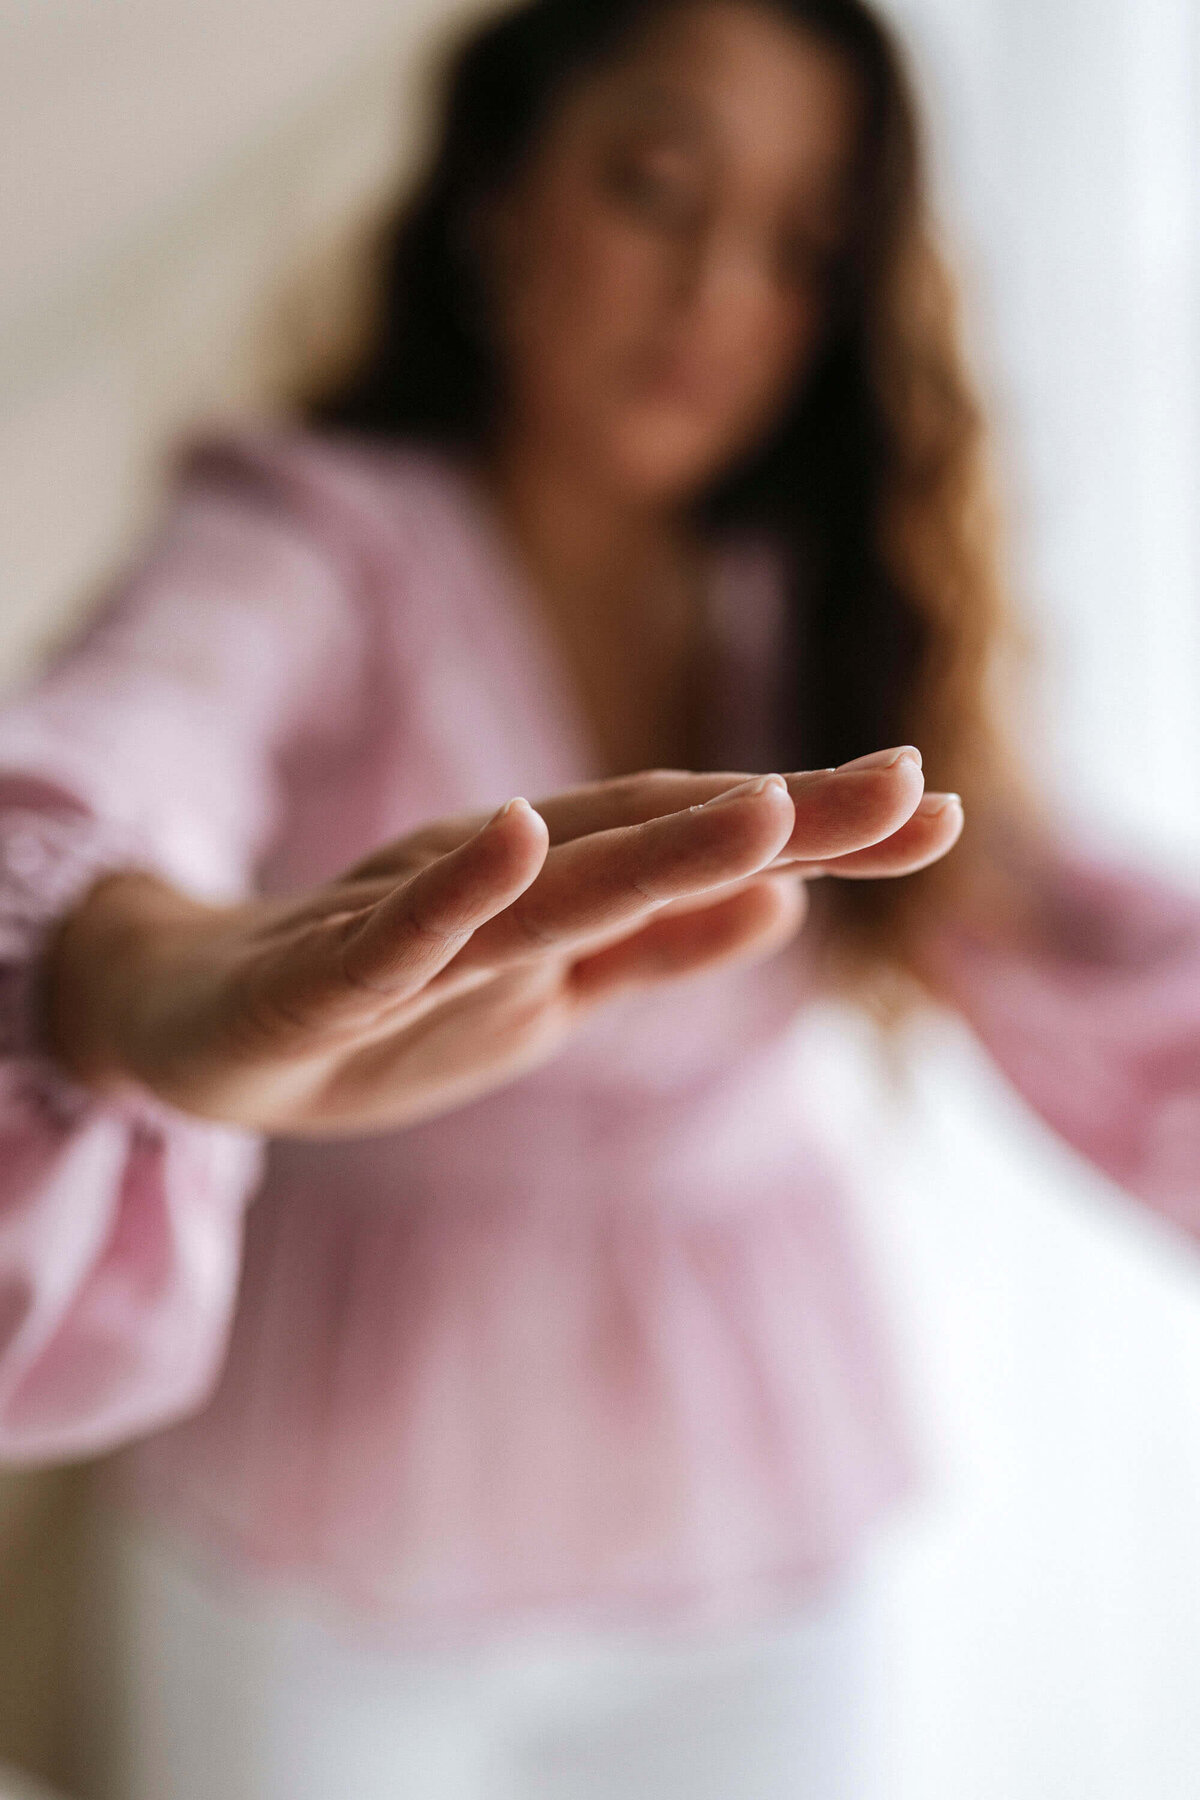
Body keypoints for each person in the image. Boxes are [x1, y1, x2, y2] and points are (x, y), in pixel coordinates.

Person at [1, 1, 1197, 1794]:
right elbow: (143, 729)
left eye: (803, 243)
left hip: (754, 1505)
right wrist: (121, 970)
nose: (720, 292)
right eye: (657, 186)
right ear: (497, 198)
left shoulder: (821, 611)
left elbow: (1085, 935)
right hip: (341, 1508)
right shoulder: (314, 536)